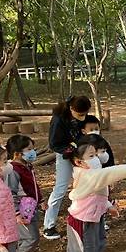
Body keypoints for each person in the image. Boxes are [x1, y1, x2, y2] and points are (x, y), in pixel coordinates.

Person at [43, 95, 92, 240]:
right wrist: (72, 155)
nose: (83, 117)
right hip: (65, 155)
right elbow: (55, 144)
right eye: (80, 114)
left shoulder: (82, 115)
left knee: (88, 186)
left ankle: (89, 219)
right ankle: (49, 226)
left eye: (85, 114)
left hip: (83, 154)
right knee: (60, 188)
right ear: (71, 108)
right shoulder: (58, 120)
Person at [5, 135, 46, 252]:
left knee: (28, 236)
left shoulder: (27, 166)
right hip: (22, 208)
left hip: (30, 206)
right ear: (17, 153)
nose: (32, 152)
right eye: (29, 149)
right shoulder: (13, 170)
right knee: (31, 238)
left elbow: (33, 186)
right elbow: (11, 193)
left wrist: (41, 200)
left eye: (32, 148)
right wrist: (16, 213)